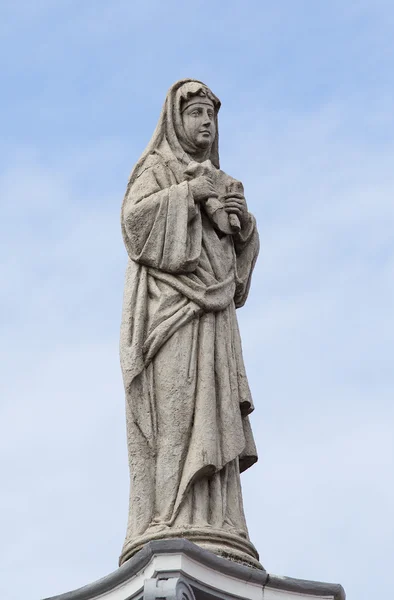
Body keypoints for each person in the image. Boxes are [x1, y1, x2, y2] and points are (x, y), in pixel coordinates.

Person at [119, 79, 261, 568]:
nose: (205, 123)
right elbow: (135, 229)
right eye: (196, 113)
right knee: (175, 414)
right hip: (172, 316)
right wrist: (186, 193)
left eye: (211, 116)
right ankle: (165, 513)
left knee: (216, 411)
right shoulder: (155, 170)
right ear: (175, 119)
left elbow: (235, 265)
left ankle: (219, 519)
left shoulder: (224, 181)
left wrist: (244, 229)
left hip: (215, 316)